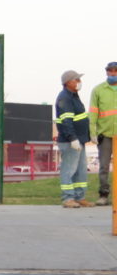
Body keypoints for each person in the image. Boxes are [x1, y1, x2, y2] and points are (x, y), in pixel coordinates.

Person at [56, 70, 94, 208]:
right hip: (70, 141)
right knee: (69, 169)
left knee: (81, 170)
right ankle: (68, 198)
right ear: (68, 82)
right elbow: (66, 121)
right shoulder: (65, 98)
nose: (79, 82)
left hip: (80, 140)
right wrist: (72, 138)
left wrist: (88, 136)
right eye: (76, 79)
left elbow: (81, 118)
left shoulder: (74, 96)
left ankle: (79, 197)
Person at [88, 61, 117, 205]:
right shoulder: (98, 90)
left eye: (115, 71)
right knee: (104, 166)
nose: (113, 73)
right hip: (105, 135)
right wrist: (92, 132)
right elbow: (93, 112)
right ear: (106, 72)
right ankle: (104, 195)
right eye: (110, 71)